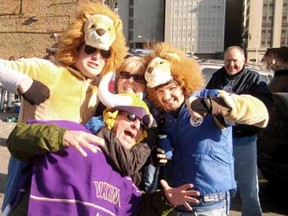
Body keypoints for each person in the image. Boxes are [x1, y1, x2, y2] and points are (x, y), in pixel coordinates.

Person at [1, 1, 127, 213]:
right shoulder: (47, 69)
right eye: (90, 49)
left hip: (69, 185)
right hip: (33, 177)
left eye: (104, 53)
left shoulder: (99, 92)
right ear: (76, 47)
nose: (97, 57)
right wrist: (23, 83)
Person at [5, 94, 200, 215]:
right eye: (131, 116)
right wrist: (60, 136)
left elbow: (134, 210)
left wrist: (164, 200)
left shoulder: (127, 177)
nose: (135, 125)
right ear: (112, 117)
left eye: (142, 126)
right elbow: (16, 140)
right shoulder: (75, 133)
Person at [143, 42, 269, 215]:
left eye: (172, 88)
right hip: (176, 204)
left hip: (210, 205)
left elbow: (261, 113)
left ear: (183, 83)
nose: (166, 96)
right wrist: (156, 154)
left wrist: (221, 106)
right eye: (160, 91)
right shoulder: (164, 117)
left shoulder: (207, 99)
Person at [206, 46, 272, 216]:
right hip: (220, 139)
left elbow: (265, 106)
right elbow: (206, 98)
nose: (231, 64)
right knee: (224, 184)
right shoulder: (217, 77)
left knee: (248, 187)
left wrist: (239, 108)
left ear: (243, 60)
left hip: (244, 140)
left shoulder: (254, 79)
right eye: (228, 60)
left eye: (235, 60)